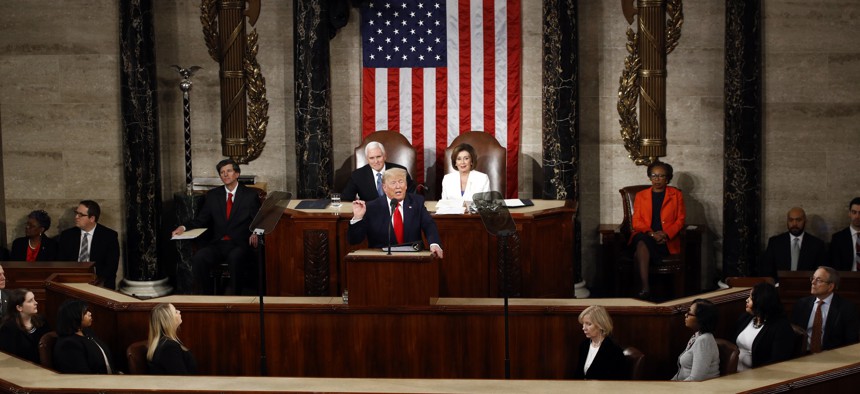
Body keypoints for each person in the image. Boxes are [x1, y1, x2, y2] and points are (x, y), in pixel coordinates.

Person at [172, 159, 261, 295]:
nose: (225, 175)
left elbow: (258, 220)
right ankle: (208, 297)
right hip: (218, 243)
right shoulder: (213, 195)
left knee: (235, 258)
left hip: (239, 244)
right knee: (199, 258)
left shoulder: (250, 196)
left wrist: (256, 232)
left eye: (229, 171)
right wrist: (183, 227)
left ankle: (236, 299)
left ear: (237, 174)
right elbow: (201, 220)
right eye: (222, 172)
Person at [348, 168, 443, 258]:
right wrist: (358, 218)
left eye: (401, 182)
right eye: (393, 183)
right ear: (384, 187)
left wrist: (434, 244)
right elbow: (354, 240)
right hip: (381, 262)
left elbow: (429, 224)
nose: (398, 186)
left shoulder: (417, 202)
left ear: (406, 185)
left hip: (413, 259)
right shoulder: (372, 207)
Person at [628, 161, 686, 299]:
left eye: (661, 176)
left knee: (640, 249)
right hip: (646, 234)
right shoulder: (641, 195)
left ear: (667, 178)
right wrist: (652, 234)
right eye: (654, 175)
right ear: (649, 177)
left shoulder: (676, 195)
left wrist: (665, 234)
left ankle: (643, 289)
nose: (657, 179)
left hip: (666, 240)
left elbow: (681, 220)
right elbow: (636, 221)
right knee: (642, 239)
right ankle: (646, 287)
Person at [790, 266, 859, 353]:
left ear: (830, 286)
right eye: (813, 278)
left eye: (818, 280)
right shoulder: (801, 304)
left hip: (833, 357)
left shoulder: (846, 308)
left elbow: (851, 341)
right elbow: (792, 333)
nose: (813, 282)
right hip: (802, 355)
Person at [57, 200, 120, 289]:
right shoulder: (67, 235)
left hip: (99, 284)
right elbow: (61, 263)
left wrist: (95, 281)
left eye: (81, 215)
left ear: (92, 218)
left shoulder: (109, 236)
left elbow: (111, 267)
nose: (76, 217)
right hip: (72, 283)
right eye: (76, 213)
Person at [733, 282, 795, 371]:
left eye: (751, 298)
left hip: (758, 377)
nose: (747, 300)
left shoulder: (781, 328)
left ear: (761, 301)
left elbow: (777, 362)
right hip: (734, 372)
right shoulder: (745, 318)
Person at [758, 207, 827, 279]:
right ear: (787, 221)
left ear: (805, 221)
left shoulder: (817, 245)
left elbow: (821, 274)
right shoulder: (775, 243)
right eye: (791, 220)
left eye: (798, 220)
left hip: (806, 288)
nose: (794, 224)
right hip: (779, 287)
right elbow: (766, 271)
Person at [53, 299, 116, 374]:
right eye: (85, 312)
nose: (90, 313)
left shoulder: (88, 332)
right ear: (74, 316)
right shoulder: (68, 344)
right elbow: (81, 375)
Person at [342, 141, 416, 202]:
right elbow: (346, 199)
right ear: (367, 159)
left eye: (378, 157)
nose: (376, 161)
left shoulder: (400, 171)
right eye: (371, 158)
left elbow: (412, 195)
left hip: (397, 212)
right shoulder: (357, 175)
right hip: (370, 215)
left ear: (384, 156)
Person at [573, 305, 627, 380]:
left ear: (601, 325)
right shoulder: (584, 345)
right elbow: (578, 375)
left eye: (588, 324)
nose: (584, 328)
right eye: (583, 324)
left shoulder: (613, 349)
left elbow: (616, 381)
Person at [671, 299, 720, 381]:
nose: (685, 315)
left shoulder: (704, 340)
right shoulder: (697, 336)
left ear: (701, 319)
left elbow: (696, 379)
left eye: (689, 313)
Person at [0, 289, 49, 363]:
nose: (36, 303)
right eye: (30, 301)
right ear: (19, 307)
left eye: (34, 299)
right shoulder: (8, 328)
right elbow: (10, 358)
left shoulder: (41, 321)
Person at [147, 303, 197, 375]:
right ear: (169, 320)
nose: (179, 311)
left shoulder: (164, 342)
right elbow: (182, 379)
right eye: (176, 312)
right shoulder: (169, 348)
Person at [828, 197, 860, 271]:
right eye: (854, 212)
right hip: (846, 279)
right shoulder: (838, 238)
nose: (857, 216)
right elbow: (834, 267)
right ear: (849, 213)